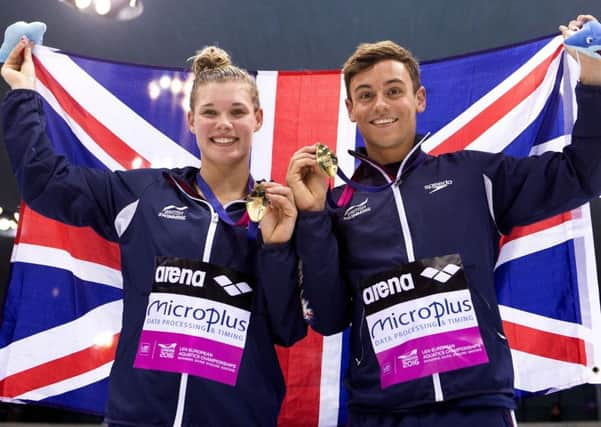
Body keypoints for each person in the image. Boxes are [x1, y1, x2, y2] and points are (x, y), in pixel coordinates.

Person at [286, 14, 601, 427]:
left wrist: (594, 82)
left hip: (478, 408)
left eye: (393, 91)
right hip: (381, 413)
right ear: (350, 109)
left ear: (419, 99)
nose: (380, 105)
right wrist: (311, 216)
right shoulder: (337, 206)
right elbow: (327, 317)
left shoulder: (474, 176)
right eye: (366, 95)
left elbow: (583, 176)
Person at [1, 39, 306, 426]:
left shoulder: (277, 212)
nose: (224, 124)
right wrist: (24, 94)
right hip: (139, 417)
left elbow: (287, 330)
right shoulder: (142, 194)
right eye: (210, 112)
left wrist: (277, 249)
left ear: (258, 118)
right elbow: (45, 183)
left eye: (237, 112)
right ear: (192, 119)